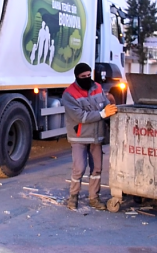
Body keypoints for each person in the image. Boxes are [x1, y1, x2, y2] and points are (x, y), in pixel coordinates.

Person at [61, 63, 118, 210]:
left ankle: (94, 198)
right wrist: (101, 114)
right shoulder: (69, 94)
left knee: (97, 169)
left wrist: (109, 111)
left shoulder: (97, 87)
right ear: (77, 77)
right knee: (79, 168)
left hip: (96, 136)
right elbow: (79, 116)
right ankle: (73, 197)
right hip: (79, 137)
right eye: (83, 77)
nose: (87, 78)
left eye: (88, 75)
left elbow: (105, 106)